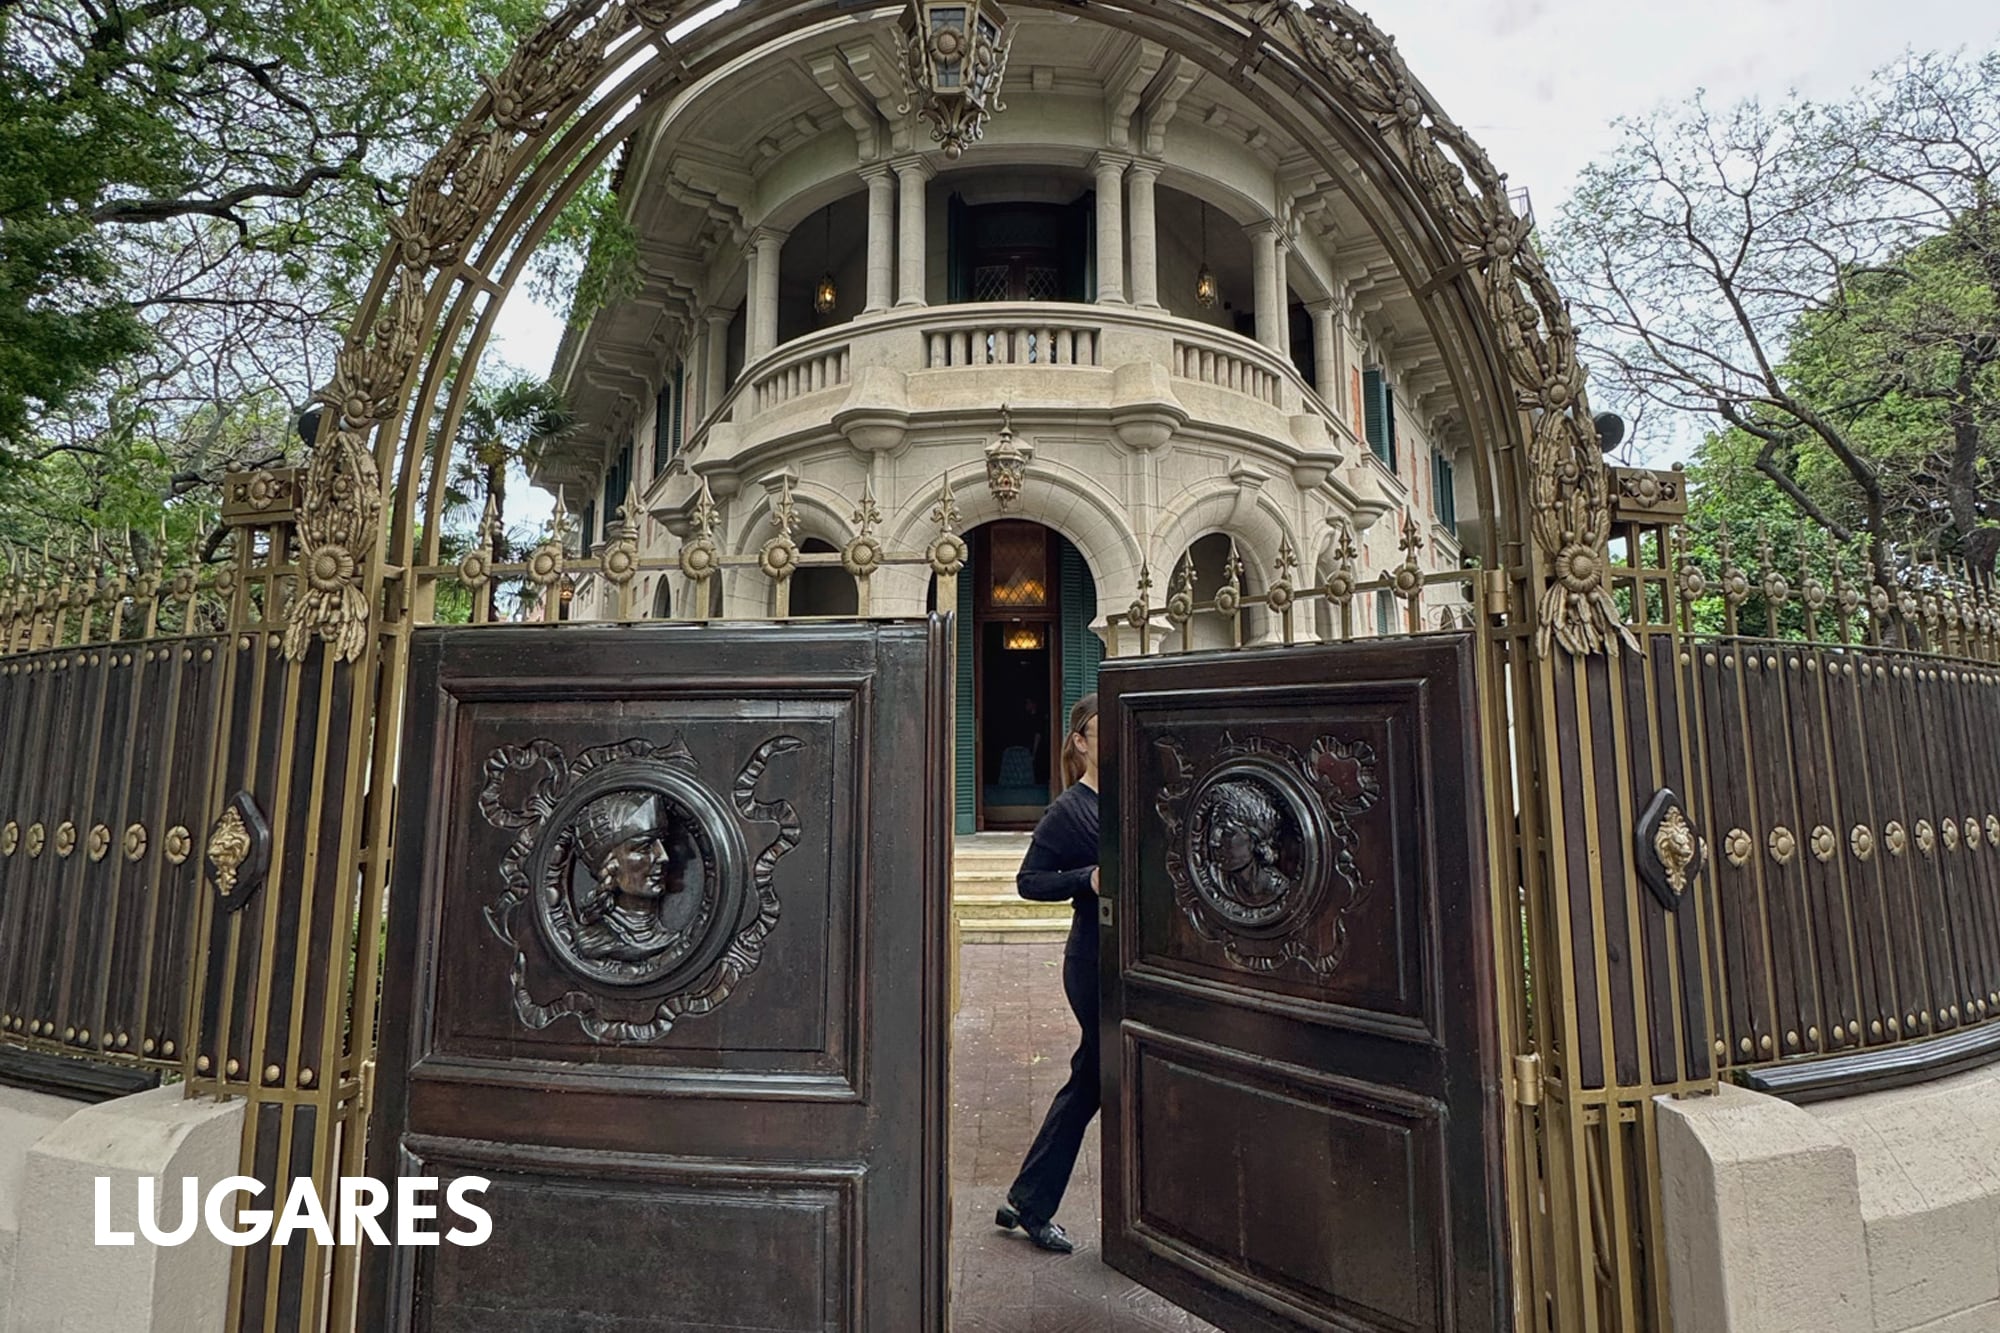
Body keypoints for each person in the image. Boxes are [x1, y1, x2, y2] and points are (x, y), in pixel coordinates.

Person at [994, 692, 1101, 1254]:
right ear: (1080, 741)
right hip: (1092, 962)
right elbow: (1029, 881)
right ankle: (1033, 1205)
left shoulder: (1136, 794)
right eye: (1103, 724)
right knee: (1099, 1077)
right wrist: (1087, 878)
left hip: (1135, 960)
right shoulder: (1068, 810)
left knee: (1092, 1081)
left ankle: (1027, 1199)